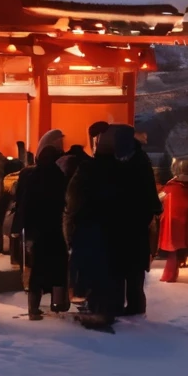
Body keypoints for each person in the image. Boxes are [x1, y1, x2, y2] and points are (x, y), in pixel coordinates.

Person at [64, 129, 122, 329]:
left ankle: (92, 306)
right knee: (110, 269)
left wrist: (71, 220)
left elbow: (73, 198)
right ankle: (106, 308)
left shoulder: (87, 168)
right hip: (114, 227)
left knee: (89, 267)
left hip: (88, 224)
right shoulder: (121, 170)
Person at [16, 131, 71, 318]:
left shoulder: (31, 176)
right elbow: (66, 203)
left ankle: (33, 308)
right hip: (56, 229)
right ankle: (57, 303)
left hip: (37, 231)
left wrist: (23, 228)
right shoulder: (59, 177)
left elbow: (24, 205)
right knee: (59, 267)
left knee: (37, 270)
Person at [107, 125, 161, 314]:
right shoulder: (140, 158)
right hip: (137, 220)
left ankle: (119, 303)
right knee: (134, 266)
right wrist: (153, 209)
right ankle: (136, 303)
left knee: (118, 264)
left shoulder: (112, 158)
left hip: (117, 220)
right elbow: (149, 188)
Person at [157, 162, 188, 282]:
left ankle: (171, 272)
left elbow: (159, 198)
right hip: (185, 221)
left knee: (173, 246)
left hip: (170, 219)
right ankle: (175, 268)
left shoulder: (170, 186)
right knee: (179, 245)